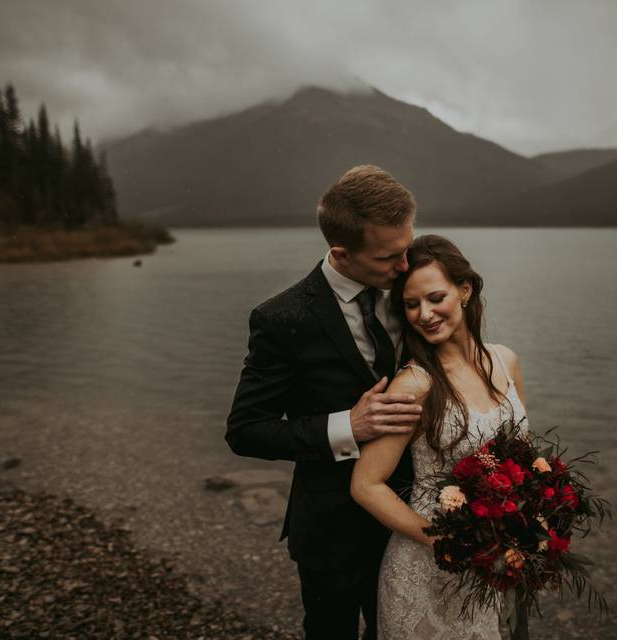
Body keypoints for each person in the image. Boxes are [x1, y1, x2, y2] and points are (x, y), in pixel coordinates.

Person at [225, 165, 422, 640]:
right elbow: (246, 429)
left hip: (414, 519)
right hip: (333, 530)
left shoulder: (412, 293)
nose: (404, 267)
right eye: (388, 258)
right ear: (340, 253)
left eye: (407, 250)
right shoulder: (282, 318)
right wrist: (347, 426)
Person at [350, 234, 528, 640]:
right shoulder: (415, 383)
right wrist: (446, 542)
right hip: (426, 569)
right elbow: (366, 485)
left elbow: (520, 457)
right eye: (411, 305)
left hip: (490, 565)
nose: (424, 314)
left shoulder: (506, 360)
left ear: (464, 290)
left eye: (435, 298)